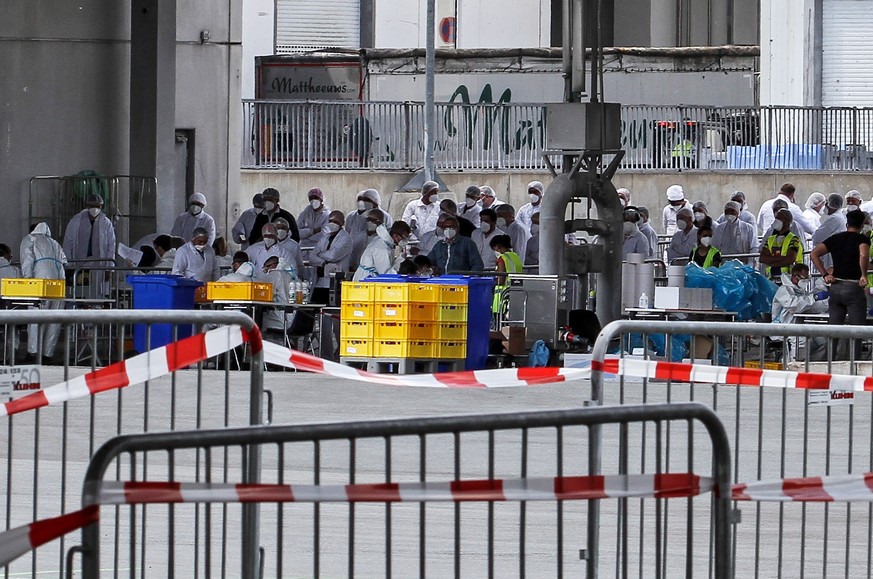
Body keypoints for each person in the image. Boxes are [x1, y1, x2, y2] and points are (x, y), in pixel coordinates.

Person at [811, 208, 870, 358]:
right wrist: (863, 275)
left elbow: (814, 254)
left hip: (836, 287)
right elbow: (863, 254)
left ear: (847, 223)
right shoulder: (862, 240)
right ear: (862, 224)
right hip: (853, 287)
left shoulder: (836, 238)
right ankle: (854, 365)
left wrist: (825, 274)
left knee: (833, 329)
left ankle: (829, 363)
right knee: (857, 331)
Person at [20, 223, 67, 363]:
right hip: (59, 283)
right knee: (53, 320)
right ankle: (47, 355)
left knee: (36, 317)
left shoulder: (30, 239)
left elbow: (27, 259)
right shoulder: (54, 243)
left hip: (40, 281)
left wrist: (27, 278)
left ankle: (33, 353)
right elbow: (64, 261)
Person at [770, 263, 829, 361]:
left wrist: (825, 303)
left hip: (799, 326)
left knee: (823, 341)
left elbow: (808, 307)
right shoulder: (784, 290)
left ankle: (811, 366)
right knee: (801, 341)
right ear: (795, 277)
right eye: (804, 278)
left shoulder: (801, 291)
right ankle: (793, 365)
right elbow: (794, 306)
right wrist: (815, 297)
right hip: (784, 327)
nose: (806, 281)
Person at [62, 192, 116, 296]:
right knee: (80, 291)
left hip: (100, 263)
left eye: (97, 206)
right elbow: (68, 243)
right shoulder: (76, 221)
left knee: (98, 292)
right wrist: (68, 264)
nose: (95, 209)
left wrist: (109, 268)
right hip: (79, 262)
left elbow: (111, 246)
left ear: (101, 207)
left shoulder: (106, 223)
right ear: (87, 206)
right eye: (92, 206)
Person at [308, 210, 353, 304]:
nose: (333, 224)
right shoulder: (325, 237)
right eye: (331, 221)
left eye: (336, 222)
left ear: (342, 223)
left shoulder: (346, 238)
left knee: (330, 311)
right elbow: (311, 257)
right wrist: (323, 263)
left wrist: (319, 254)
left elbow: (333, 256)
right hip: (320, 282)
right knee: (313, 309)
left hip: (335, 282)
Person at [346, 188, 392, 271]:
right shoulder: (355, 216)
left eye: (367, 200)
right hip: (356, 252)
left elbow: (388, 237)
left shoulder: (385, 217)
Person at [352, 211, 407, 281]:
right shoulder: (382, 247)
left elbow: (390, 267)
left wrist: (401, 257)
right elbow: (386, 275)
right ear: (396, 236)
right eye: (403, 238)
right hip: (365, 280)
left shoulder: (387, 243)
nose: (405, 241)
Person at [759, 209, 803, 281]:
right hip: (771, 279)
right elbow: (762, 258)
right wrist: (782, 259)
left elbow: (790, 259)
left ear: (787, 222)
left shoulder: (794, 239)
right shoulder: (770, 239)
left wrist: (771, 261)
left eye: (779, 218)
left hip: (787, 279)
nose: (776, 221)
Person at [812, 193, 847, 274]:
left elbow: (817, 237)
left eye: (827, 204)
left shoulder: (834, 218)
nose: (825, 207)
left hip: (831, 256)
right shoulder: (838, 217)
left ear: (830, 205)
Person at [490, 234, 523, 312]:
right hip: (516, 293)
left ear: (498, 246)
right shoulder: (516, 256)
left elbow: (500, 280)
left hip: (503, 296)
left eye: (494, 249)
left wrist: (491, 281)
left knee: (501, 322)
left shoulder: (502, 259)